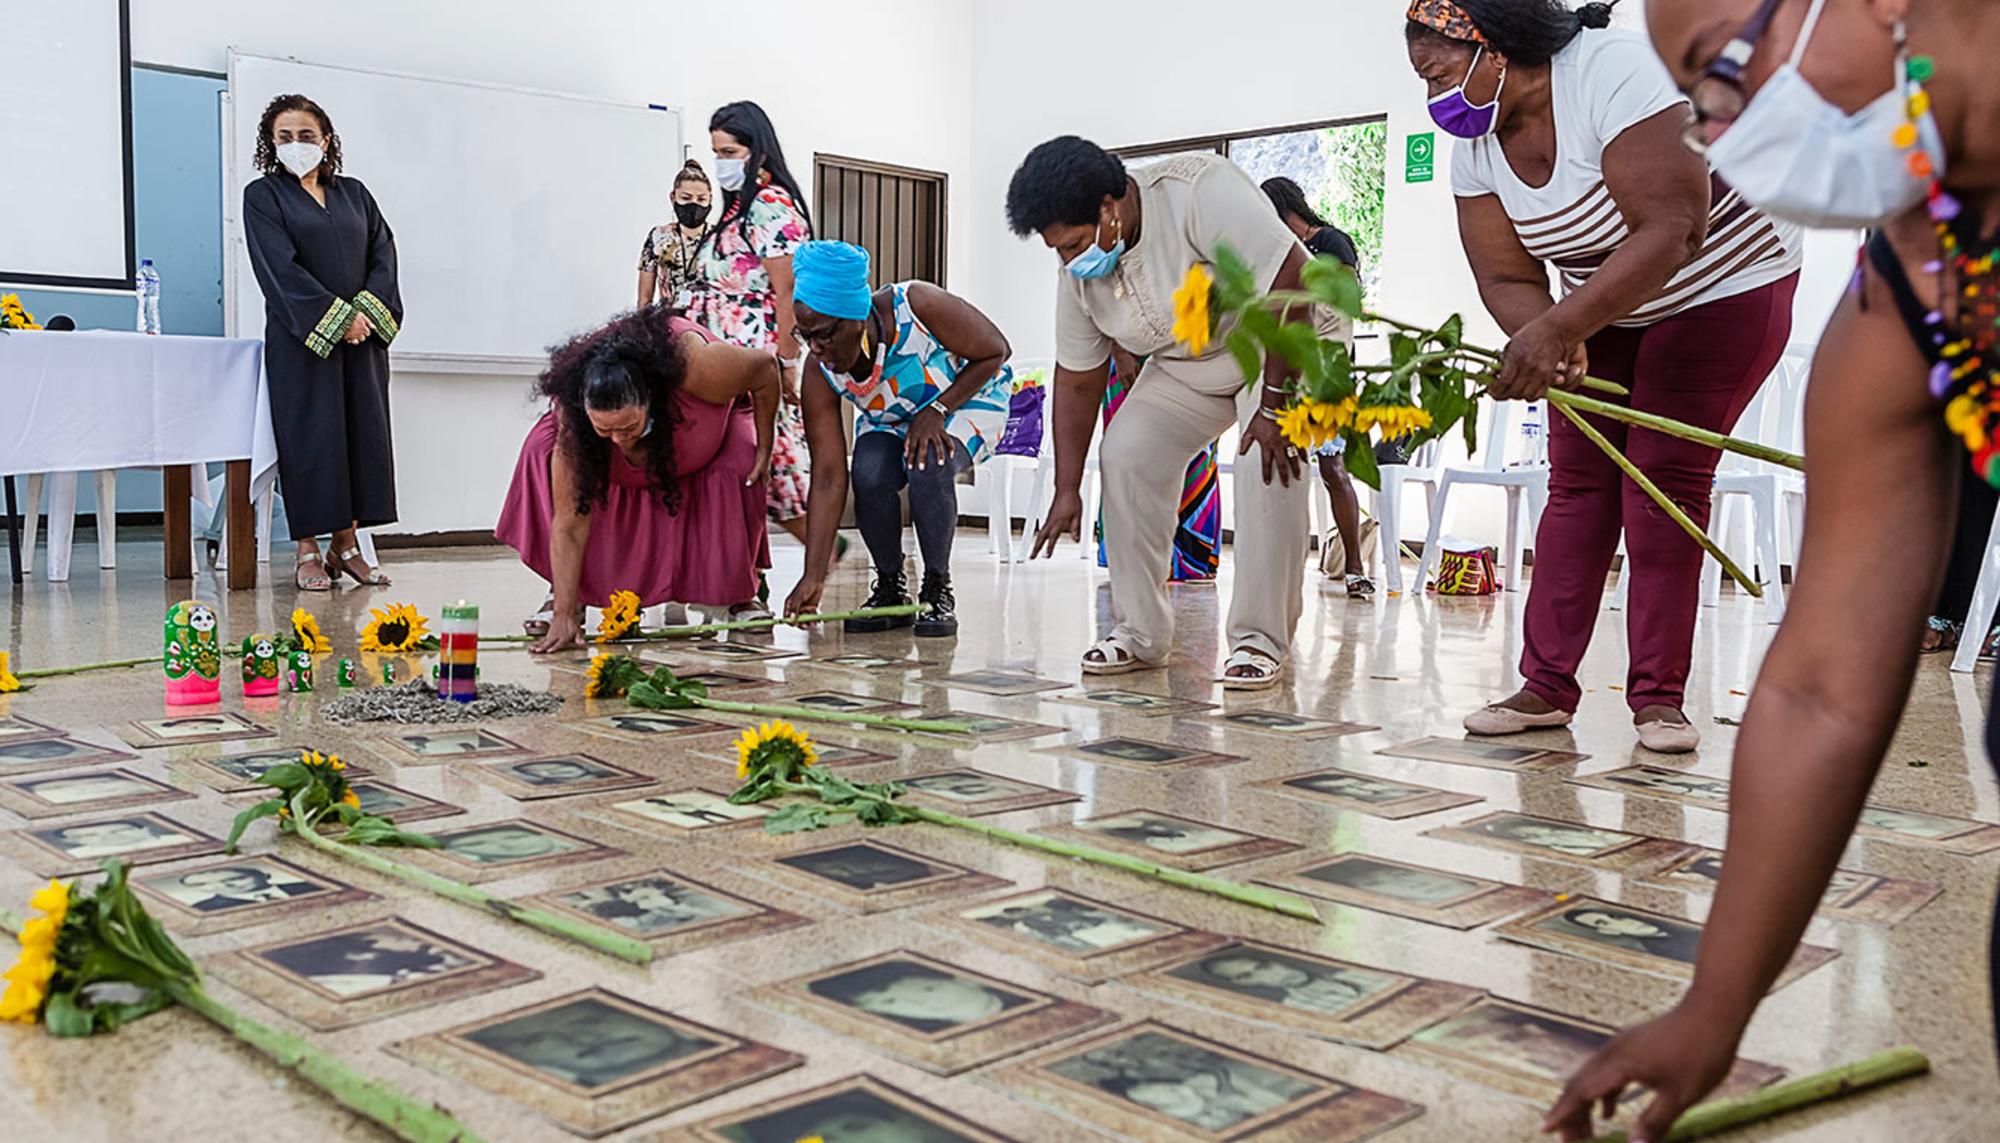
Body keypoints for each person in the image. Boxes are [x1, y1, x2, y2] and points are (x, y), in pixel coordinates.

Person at [1543, 3, 1999, 1136]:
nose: (1715, 130)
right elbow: (1817, 687)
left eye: (1714, 74)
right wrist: (1714, 1003)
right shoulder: (1914, 283)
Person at [1407, 0, 1802, 753]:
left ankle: (1658, 698)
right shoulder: (1478, 148)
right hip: (1605, 304)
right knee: (1579, 479)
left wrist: (1562, 325)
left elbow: (1675, 226)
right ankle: (1545, 685)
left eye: (1439, 74)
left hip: (1725, 283)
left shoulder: (1611, 71)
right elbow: (1502, 271)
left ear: (1493, 48)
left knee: (1662, 476)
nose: (1433, 99)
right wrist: (1545, 332)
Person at [1010, 136, 1331, 690]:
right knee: (1128, 451)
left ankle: (1261, 640)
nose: (1068, 260)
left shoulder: (1197, 189)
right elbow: (1079, 379)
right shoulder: (1079, 274)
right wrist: (1066, 488)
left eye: (1076, 243)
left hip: (1290, 339)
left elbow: (1293, 282)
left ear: (1111, 207)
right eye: (1057, 250)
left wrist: (1275, 406)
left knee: (1265, 461)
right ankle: (1139, 633)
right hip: (1193, 359)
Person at [496, 306, 780, 648]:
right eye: (605, 429)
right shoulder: (575, 417)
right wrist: (563, 616)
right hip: (589, 428)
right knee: (542, 451)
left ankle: (740, 594)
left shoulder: (701, 368)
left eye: (628, 426)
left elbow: (765, 370)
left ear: (651, 400)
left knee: (737, 463)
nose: (618, 440)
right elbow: (570, 522)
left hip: (708, 422)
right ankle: (568, 595)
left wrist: (766, 445)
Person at [782, 241, 1014, 638]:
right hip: (894, 416)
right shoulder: (818, 370)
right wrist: (813, 575)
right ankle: (891, 590)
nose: (816, 350)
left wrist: (937, 411)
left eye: (822, 335)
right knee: (869, 468)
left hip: (966, 399)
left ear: (854, 318)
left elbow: (995, 352)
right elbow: (828, 476)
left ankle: (936, 590)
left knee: (928, 459)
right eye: (805, 337)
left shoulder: (918, 305)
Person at [243, 93, 402, 592]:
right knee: (312, 440)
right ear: (271, 144)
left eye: (306, 136)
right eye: (284, 137)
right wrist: (335, 320)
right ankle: (308, 549)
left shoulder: (356, 194)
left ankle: (347, 544)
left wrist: (364, 316)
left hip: (363, 341)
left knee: (361, 435)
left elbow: (383, 253)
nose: (296, 145)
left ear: (326, 140)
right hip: (302, 339)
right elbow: (277, 268)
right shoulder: (263, 196)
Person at [680, 100, 814, 613]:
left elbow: (788, 291)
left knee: (772, 473)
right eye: (715, 152)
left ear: (756, 149)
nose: (721, 163)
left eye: (729, 152)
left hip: (756, 358)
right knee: (747, 474)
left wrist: (786, 362)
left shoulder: (773, 206)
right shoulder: (737, 205)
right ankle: (748, 581)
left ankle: (835, 561)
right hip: (720, 357)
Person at [1262, 176, 1375, 598]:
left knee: (1333, 467)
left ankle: (1355, 566)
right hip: (1289, 369)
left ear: (1286, 210)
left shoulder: (1329, 241)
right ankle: (1282, 567)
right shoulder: (1279, 254)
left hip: (1328, 372)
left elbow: (1344, 295)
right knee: (1284, 465)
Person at [637, 160, 712, 309]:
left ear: (710, 199)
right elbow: (644, 299)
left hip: (709, 325)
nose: (694, 204)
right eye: (686, 198)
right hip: (669, 324)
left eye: (701, 199)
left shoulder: (720, 238)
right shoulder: (658, 237)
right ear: (673, 198)